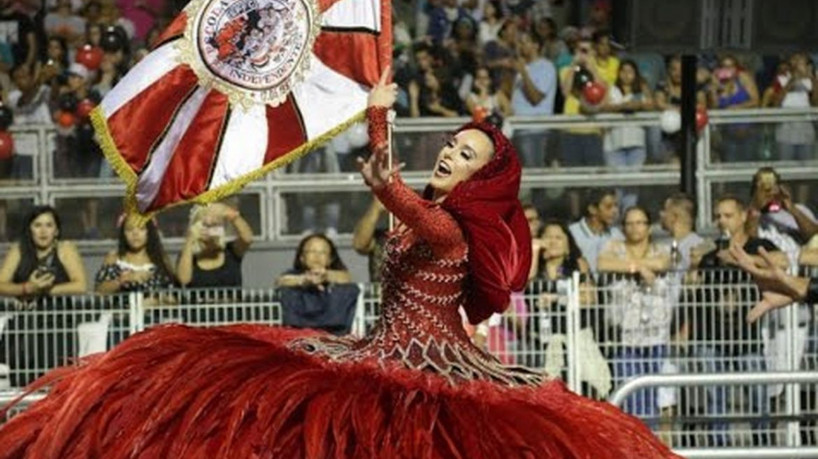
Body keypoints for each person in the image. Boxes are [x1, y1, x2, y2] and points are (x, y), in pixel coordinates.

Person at [0, 69, 677, 458]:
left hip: (431, 369)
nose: (450, 153)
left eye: (465, 155)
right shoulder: (425, 210)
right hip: (376, 352)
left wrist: (383, 166)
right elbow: (392, 188)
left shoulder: (448, 231)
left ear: (483, 178)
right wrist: (379, 116)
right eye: (451, 144)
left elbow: (398, 196)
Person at [277, 233, 358, 335]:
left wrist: (325, 276)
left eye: (323, 252)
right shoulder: (292, 276)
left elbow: (347, 277)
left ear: (330, 259)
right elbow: (281, 280)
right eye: (312, 251)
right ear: (302, 257)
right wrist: (305, 280)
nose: (317, 256)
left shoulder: (339, 280)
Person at [0, 206, 86, 299]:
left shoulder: (65, 249)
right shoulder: (18, 249)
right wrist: (27, 288)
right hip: (27, 308)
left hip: (58, 307)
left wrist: (42, 291)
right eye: (37, 225)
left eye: (49, 225)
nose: (43, 231)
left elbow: (81, 286)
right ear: (29, 230)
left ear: (56, 231)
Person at [176, 201, 253, 289]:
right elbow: (184, 280)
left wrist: (230, 214)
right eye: (205, 225)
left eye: (215, 225)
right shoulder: (188, 255)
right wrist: (190, 238)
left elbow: (247, 239)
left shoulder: (231, 251)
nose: (210, 229)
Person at [95, 213, 176, 295]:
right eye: (129, 229)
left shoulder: (160, 258)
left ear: (149, 232)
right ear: (123, 233)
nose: (135, 234)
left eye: (141, 228)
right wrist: (123, 280)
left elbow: (173, 294)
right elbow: (99, 291)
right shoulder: (113, 258)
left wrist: (156, 300)